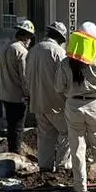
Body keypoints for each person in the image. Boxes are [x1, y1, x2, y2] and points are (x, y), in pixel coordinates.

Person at [54, 21, 96, 192]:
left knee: (77, 148)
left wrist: (71, 93)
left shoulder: (65, 63)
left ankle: (80, 187)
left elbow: (58, 87)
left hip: (74, 106)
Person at [25, 21, 70, 173]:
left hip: (38, 102)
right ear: (60, 38)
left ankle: (44, 168)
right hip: (56, 103)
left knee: (45, 136)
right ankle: (63, 168)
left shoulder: (33, 50)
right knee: (66, 133)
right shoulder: (58, 52)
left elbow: (27, 77)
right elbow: (65, 79)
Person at [0, 19, 34, 154]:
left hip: (5, 95)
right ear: (27, 37)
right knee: (18, 128)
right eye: (30, 38)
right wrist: (29, 95)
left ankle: (11, 152)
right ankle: (15, 155)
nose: (30, 41)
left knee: (11, 127)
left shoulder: (6, 48)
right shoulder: (21, 52)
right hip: (17, 97)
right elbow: (25, 77)